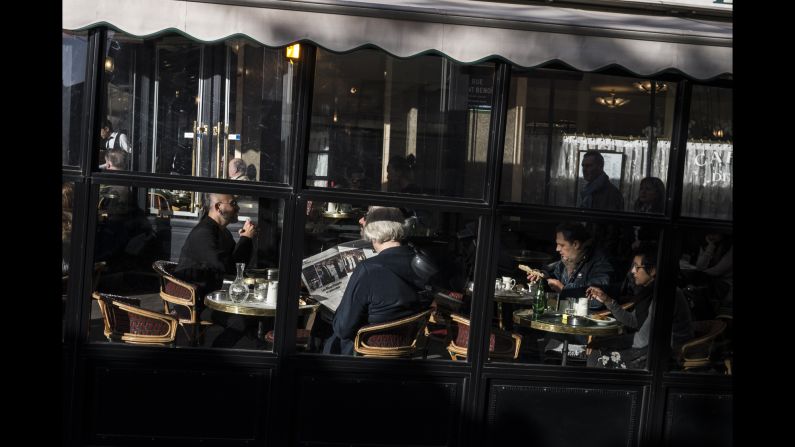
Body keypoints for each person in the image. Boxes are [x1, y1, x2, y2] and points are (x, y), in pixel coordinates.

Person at [323, 207, 429, 355]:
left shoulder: (368, 269)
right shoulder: (421, 262)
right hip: (406, 351)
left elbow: (343, 329)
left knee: (324, 328)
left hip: (366, 352)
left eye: (366, 217)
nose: (361, 220)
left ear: (373, 232)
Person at [586, 245, 694, 369]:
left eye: (637, 267)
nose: (632, 271)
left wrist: (611, 342)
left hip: (665, 353)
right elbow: (633, 321)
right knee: (596, 347)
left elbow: (643, 340)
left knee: (598, 355)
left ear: (653, 270)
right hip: (649, 346)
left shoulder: (666, 294)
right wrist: (607, 300)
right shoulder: (650, 292)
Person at [174, 193, 258, 347]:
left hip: (212, 296)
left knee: (254, 316)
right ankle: (216, 355)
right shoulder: (204, 233)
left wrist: (245, 240)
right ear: (219, 207)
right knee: (242, 320)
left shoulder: (222, 231)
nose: (237, 207)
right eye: (233, 203)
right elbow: (228, 268)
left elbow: (238, 265)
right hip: (195, 302)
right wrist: (245, 239)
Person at [525, 222, 613, 297]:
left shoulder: (599, 262)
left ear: (575, 244)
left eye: (562, 245)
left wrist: (565, 290)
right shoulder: (567, 261)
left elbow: (597, 298)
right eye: (557, 244)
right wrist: (541, 276)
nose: (557, 249)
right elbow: (553, 274)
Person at [631, 177, 666, 250]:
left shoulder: (660, 214)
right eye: (641, 188)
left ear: (657, 193)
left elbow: (659, 241)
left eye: (648, 189)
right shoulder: (638, 209)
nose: (643, 192)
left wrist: (642, 244)